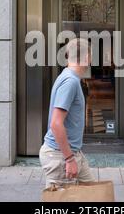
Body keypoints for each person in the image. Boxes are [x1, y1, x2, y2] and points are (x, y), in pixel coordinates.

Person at [39, 38, 95, 188]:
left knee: (93, 193)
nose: (90, 61)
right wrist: (69, 159)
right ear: (85, 58)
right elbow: (56, 124)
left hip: (73, 152)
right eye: (90, 57)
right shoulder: (70, 82)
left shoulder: (67, 76)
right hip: (60, 156)